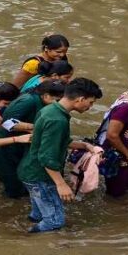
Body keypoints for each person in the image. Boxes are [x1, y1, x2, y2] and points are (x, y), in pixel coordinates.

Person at [18, 78, 103, 233]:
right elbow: (46, 157)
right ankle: (25, 239)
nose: (90, 107)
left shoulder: (50, 110)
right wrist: (61, 184)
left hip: (29, 170)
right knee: (55, 222)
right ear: (80, 99)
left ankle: (29, 227)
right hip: (41, 176)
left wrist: (84, 145)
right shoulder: (58, 120)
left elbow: (57, 140)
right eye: (90, 102)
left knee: (38, 214)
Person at [0, 80, 65, 199]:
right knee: (14, 187)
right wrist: (35, 127)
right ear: (46, 96)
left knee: (24, 184)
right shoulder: (28, 101)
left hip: (20, 146)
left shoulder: (42, 102)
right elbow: (7, 123)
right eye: (58, 100)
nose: (61, 103)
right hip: (5, 149)